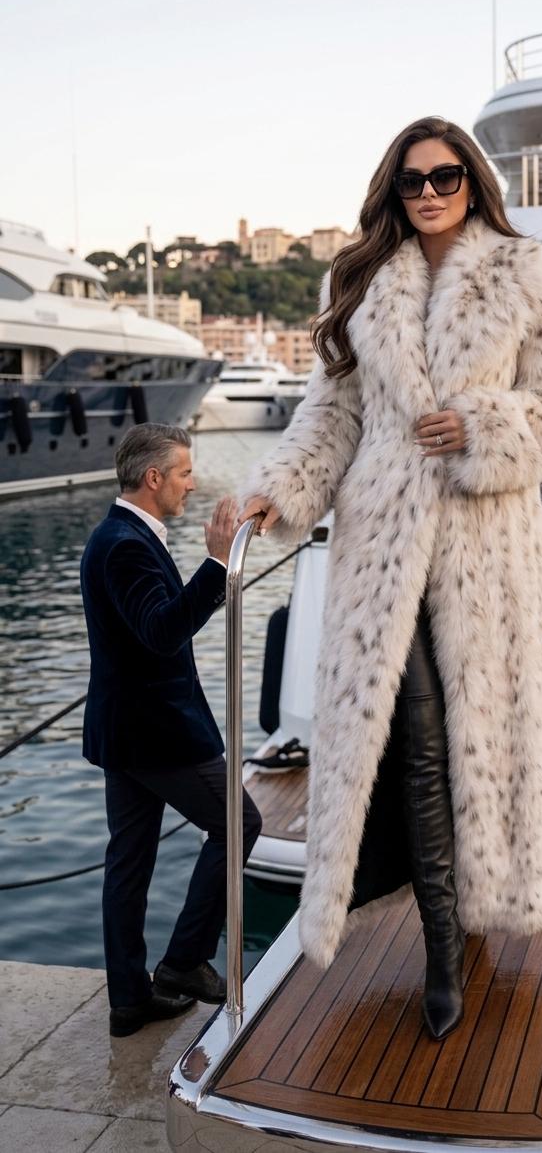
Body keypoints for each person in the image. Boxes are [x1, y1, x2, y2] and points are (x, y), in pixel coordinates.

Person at [238, 115, 542, 1041]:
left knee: (473, 740)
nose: (429, 193)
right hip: (383, 547)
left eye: (445, 177)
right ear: (392, 192)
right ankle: (442, 946)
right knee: (422, 737)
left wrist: (482, 426)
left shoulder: (528, 273)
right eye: (412, 182)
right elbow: (331, 417)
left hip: (485, 549)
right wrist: (271, 495)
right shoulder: (359, 280)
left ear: (473, 181)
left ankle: (464, 924)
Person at [80, 424, 262, 1038]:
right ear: (153, 478)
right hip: (157, 736)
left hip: (127, 734)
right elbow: (162, 632)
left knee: (128, 864)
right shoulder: (125, 544)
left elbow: (153, 630)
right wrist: (215, 565)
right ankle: (184, 961)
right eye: (184, 472)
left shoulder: (122, 536)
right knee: (241, 824)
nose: (191, 482)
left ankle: (131, 1000)